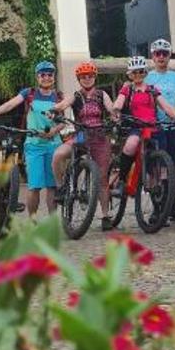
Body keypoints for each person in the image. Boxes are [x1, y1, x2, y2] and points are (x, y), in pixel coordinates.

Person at [0, 61, 62, 217]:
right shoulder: (29, 93)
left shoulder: (59, 97)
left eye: (50, 74)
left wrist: (53, 131)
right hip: (34, 145)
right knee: (34, 186)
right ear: (37, 77)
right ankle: (33, 220)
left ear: (54, 77)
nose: (46, 78)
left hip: (54, 145)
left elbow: (64, 121)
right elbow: (9, 105)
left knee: (52, 186)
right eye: (42, 75)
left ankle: (52, 222)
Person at [50, 62, 115, 231]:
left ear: (95, 77)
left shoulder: (102, 94)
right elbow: (62, 105)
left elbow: (111, 108)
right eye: (83, 77)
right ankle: (60, 188)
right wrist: (53, 110)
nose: (87, 79)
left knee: (102, 178)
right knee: (58, 155)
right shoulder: (76, 95)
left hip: (99, 137)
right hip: (80, 136)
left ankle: (105, 216)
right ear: (79, 79)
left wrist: (116, 115)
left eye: (90, 76)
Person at [111, 56, 175, 194]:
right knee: (130, 145)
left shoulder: (152, 90)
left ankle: (161, 188)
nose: (138, 75)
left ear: (145, 73)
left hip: (153, 127)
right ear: (130, 74)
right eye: (134, 72)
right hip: (136, 126)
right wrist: (116, 109)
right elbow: (119, 101)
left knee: (162, 155)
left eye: (141, 72)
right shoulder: (128, 90)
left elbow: (165, 106)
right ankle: (122, 180)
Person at [146, 37, 175, 221]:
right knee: (156, 170)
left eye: (164, 54)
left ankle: (171, 207)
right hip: (154, 129)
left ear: (169, 56)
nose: (161, 57)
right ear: (152, 56)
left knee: (171, 168)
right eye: (157, 53)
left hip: (173, 127)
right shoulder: (147, 77)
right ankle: (157, 209)